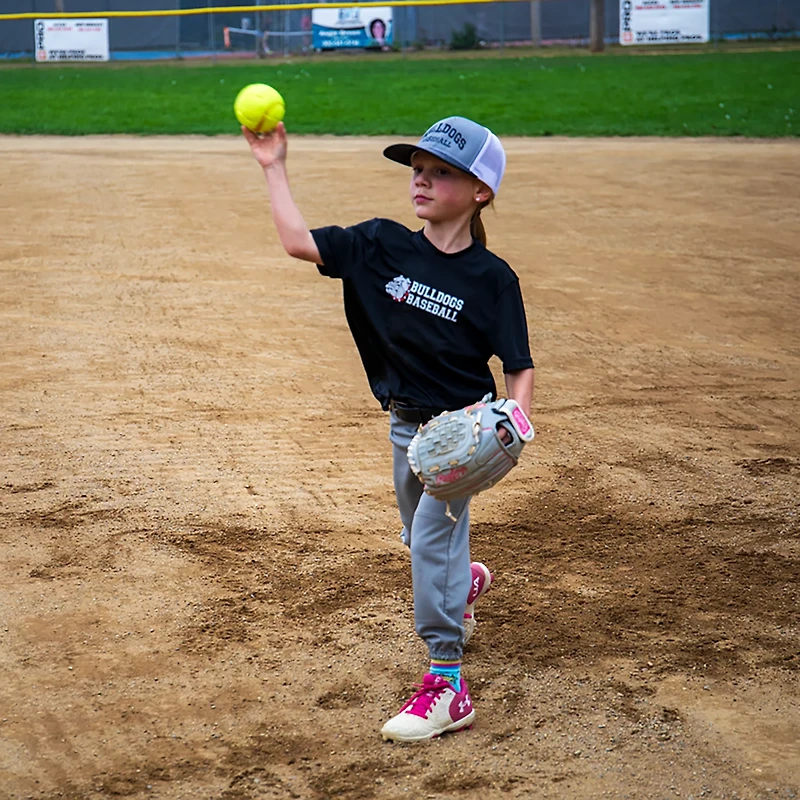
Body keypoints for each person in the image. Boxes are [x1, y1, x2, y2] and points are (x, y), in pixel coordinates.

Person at [241, 116, 535, 742]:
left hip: (461, 437)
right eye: (418, 169)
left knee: (429, 537)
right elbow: (298, 242)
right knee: (418, 535)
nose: (421, 180)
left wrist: (514, 421)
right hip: (406, 430)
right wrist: (274, 166)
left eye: (441, 172)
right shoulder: (379, 245)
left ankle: (447, 684)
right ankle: (463, 582)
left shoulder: (492, 279)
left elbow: (518, 364)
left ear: (480, 191)